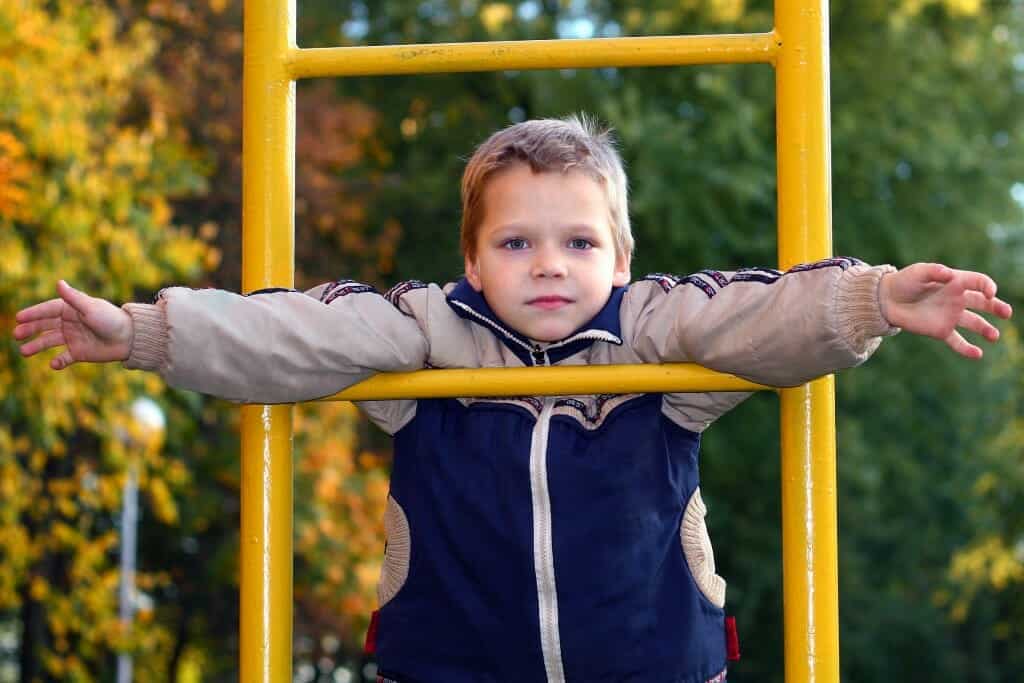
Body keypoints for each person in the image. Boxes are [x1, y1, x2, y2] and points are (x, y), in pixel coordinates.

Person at [13, 115, 1012, 683]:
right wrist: (143, 331)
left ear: (621, 256)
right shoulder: (424, 338)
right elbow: (295, 329)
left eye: (577, 242)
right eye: (515, 242)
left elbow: (758, 314)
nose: (547, 265)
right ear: (472, 259)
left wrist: (872, 296)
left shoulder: (655, 336)